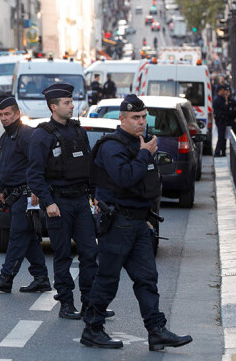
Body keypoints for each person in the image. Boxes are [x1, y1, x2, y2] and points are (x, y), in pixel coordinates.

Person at [81, 94, 192, 350]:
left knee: (147, 278)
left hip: (139, 223)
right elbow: (125, 177)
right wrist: (144, 154)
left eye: (143, 117)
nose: (141, 122)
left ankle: (156, 330)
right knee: (108, 279)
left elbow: (148, 184)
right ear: (122, 119)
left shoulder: (140, 144)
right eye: (135, 118)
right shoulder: (112, 146)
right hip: (118, 222)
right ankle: (93, 329)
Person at [27, 83, 111, 320]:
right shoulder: (42, 135)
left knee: (89, 251)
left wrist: (94, 195)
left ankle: (90, 303)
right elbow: (34, 175)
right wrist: (48, 202)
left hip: (81, 200)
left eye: (71, 102)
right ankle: (65, 303)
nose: (72, 106)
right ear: (54, 107)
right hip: (58, 203)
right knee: (62, 254)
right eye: (67, 103)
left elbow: (89, 166)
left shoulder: (78, 131)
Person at [0, 95, 51, 294]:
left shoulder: (27, 135)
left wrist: (36, 189)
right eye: (1, 115)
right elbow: (4, 166)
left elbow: (38, 165)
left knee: (17, 234)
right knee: (27, 238)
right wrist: (1, 191)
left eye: (8, 114)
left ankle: (6, 277)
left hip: (27, 195)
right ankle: (41, 277)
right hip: (13, 195)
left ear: (17, 114)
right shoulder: (5, 136)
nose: (4, 118)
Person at [213, 85, 230, 157]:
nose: (224, 92)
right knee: (221, 136)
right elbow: (225, 107)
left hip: (222, 120)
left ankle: (222, 151)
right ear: (219, 91)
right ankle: (217, 152)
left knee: (222, 136)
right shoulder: (218, 99)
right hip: (220, 120)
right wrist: (226, 99)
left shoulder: (219, 98)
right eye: (223, 90)